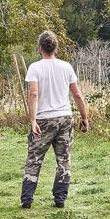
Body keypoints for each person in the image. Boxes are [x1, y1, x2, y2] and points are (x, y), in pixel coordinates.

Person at [20, 31, 89, 209]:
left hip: (43, 119)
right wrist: (84, 117)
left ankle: (26, 200)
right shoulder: (66, 67)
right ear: (55, 48)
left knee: (34, 160)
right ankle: (60, 199)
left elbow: (33, 94)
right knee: (64, 159)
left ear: (40, 47)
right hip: (65, 118)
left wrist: (33, 120)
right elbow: (77, 95)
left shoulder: (35, 67)